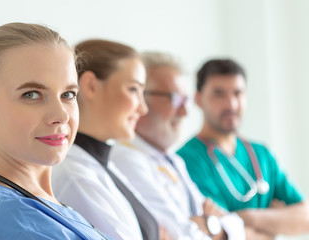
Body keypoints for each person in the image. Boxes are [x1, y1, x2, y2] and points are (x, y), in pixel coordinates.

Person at [0, 22, 112, 240]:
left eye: (68, 94)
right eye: (31, 94)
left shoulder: (38, 207)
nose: (61, 115)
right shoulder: (12, 225)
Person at [109, 51, 246, 240]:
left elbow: (237, 227)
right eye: (174, 99)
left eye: (185, 100)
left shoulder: (173, 160)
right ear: (141, 97)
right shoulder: (125, 160)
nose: (184, 112)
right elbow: (182, 236)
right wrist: (215, 227)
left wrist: (210, 225)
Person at [177, 58, 309, 238]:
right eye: (219, 94)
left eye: (238, 93)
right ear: (198, 99)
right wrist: (275, 225)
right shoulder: (186, 161)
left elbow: (305, 219)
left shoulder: (261, 154)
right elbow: (214, 233)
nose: (231, 104)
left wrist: (246, 219)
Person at [52, 40, 169, 240]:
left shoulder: (103, 164)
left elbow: (164, 232)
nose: (143, 108)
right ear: (90, 86)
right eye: (133, 89)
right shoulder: (75, 175)